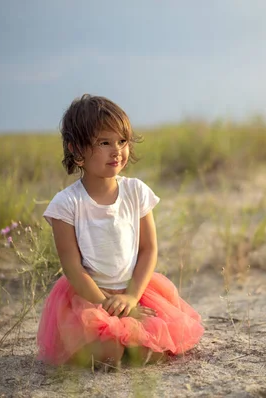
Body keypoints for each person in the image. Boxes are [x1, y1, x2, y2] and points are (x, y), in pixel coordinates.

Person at [36, 94, 204, 369]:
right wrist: (106, 304)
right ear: (77, 150)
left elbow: (148, 249)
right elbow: (72, 267)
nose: (117, 151)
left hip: (134, 289)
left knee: (157, 345)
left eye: (122, 141)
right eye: (104, 142)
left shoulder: (136, 191)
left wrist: (131, 298)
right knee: (108, 351)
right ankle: (113, 346)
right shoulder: (66, 204)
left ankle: (130, 343)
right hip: (89, 297)